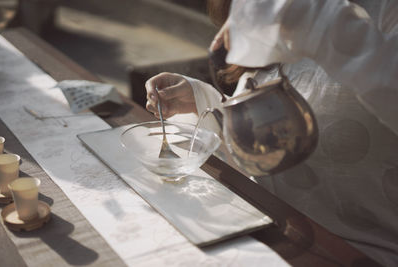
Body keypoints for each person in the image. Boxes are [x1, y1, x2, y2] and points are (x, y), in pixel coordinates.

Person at [145, 0, 398, 265]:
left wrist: (314, 20)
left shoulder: (383, 14)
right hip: (272, 231)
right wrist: (204, 102)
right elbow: (271, 146)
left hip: (361, 253)